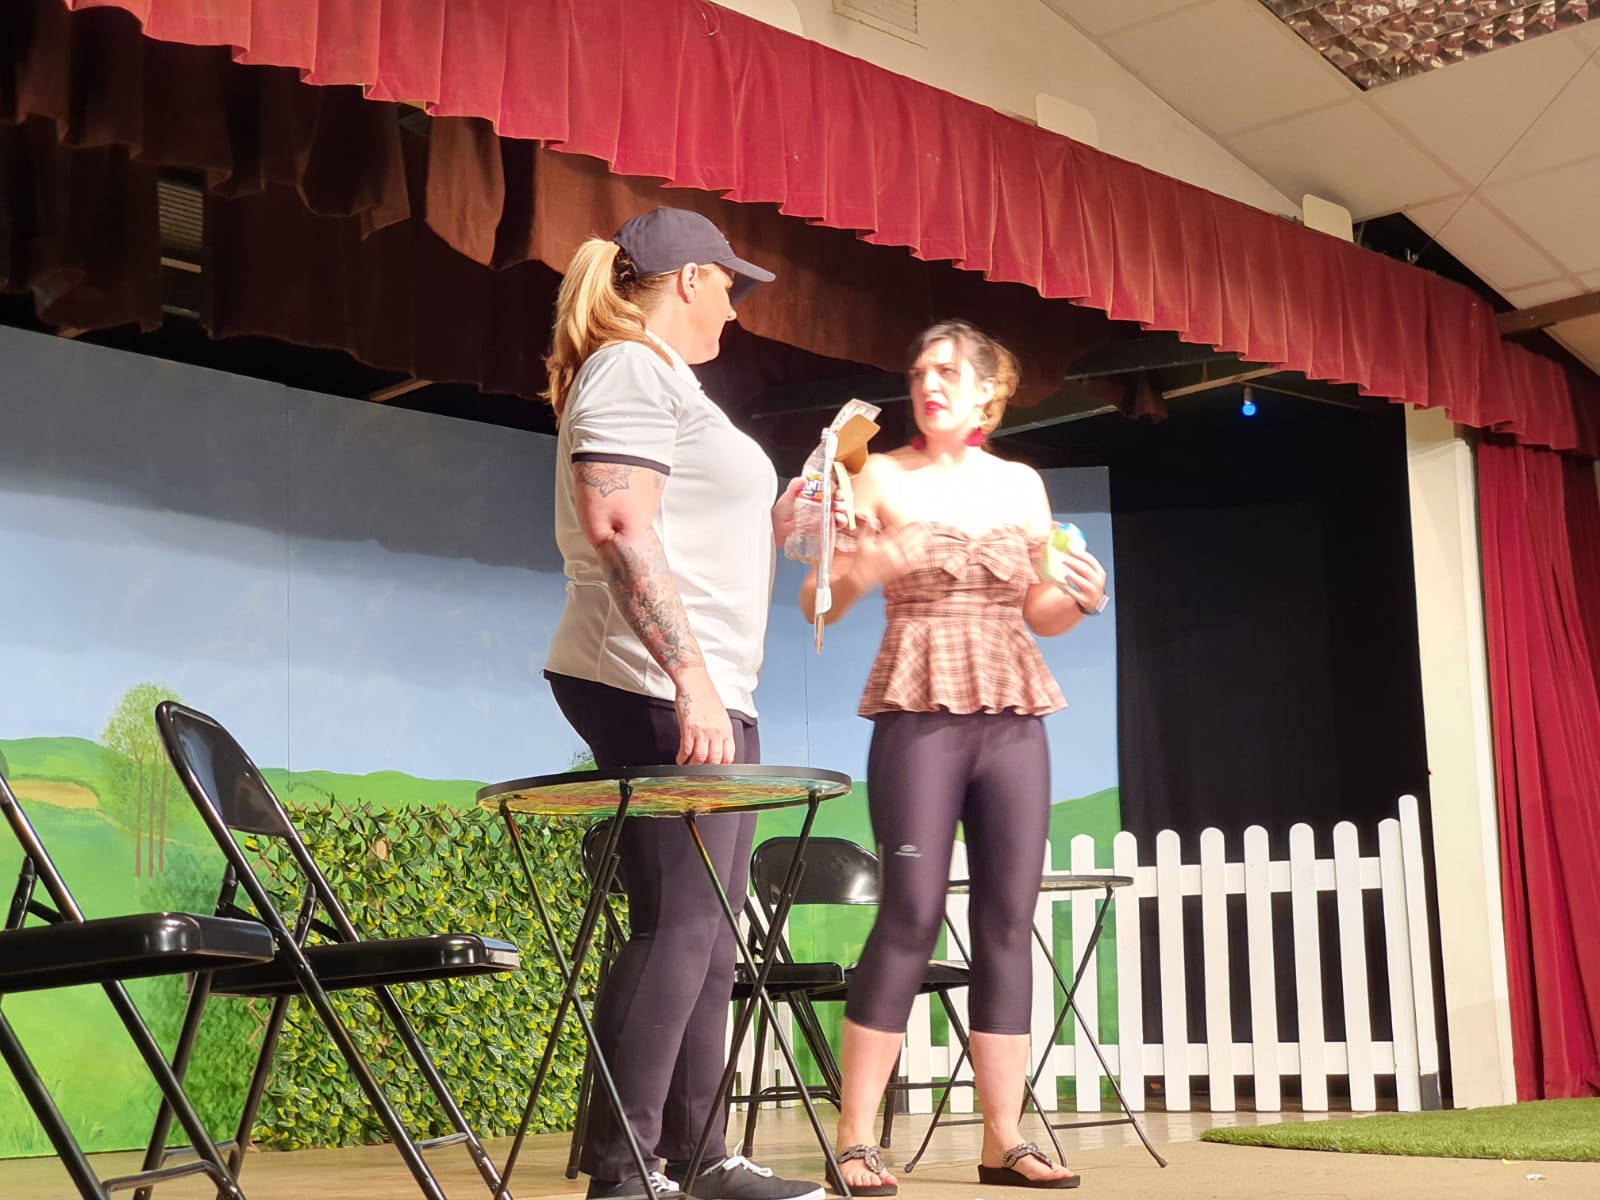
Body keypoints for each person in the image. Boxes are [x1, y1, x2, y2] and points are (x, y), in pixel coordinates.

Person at [543, 206, 822, 1200]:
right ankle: (624, 1172)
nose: (734, 311)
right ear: (692, 279)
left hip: (705, 681)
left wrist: (776, 518)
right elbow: (619, 524)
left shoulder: (662, 379)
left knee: (707, 930)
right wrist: (689, 679)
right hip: (653, 678)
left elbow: (684, 523)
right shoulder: (628, 366)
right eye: (728, 288)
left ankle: (702, 1158)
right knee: (679, 925)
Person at [800, 320, 1109, 1194]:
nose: (928, 384)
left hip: (1013, 708)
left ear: (987, 392)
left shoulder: (1021, 484)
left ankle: (1004, 1139)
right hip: (918, 702)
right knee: (911, 913)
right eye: (918, 371)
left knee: (1010, 920)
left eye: (946, 371)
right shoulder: (876, 474)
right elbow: (817, 599)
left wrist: (1082, 598)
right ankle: (856, 1137)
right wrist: (871, 563)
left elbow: (1040, 609)